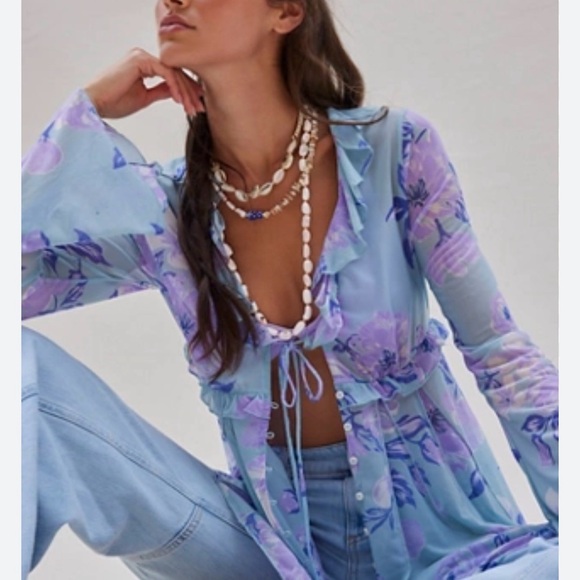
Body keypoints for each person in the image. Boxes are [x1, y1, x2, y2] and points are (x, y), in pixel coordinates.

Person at [21, 0, 559, 578]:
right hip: (272, 555)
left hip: (451, 555)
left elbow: (502, 356)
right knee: (20, 369)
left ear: (285, 12)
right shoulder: (167, 212)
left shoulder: (393, 151)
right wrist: (84, 112)